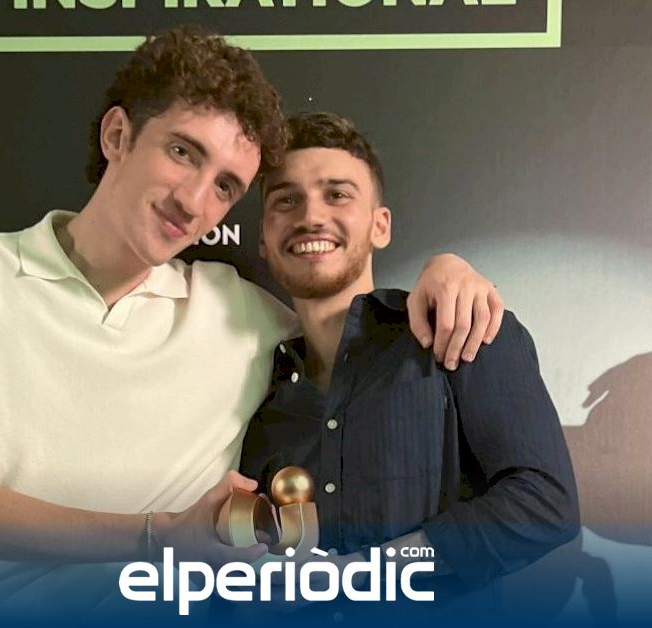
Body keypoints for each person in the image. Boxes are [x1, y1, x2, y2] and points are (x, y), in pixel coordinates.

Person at [0, 26, 505, 624]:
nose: (193, 202)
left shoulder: (241, 314)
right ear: (118, 135)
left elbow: (352, 327)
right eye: (183, 152)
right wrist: (158, 537)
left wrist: (448, 271)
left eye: (226, 187)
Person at [238, 112, 579, 621]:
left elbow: (545, 503)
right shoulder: (257, 394)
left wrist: (365, 574)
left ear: (380, 226)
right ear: (264, 241)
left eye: (337, 195)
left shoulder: (460, 325)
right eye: (286, 200)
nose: (310, 216)